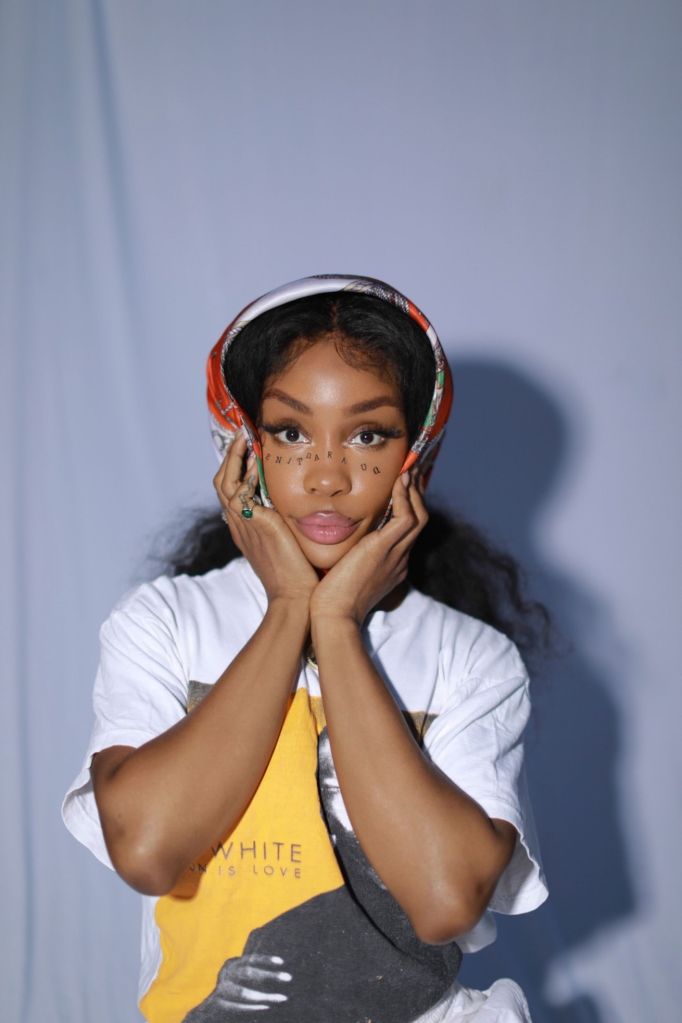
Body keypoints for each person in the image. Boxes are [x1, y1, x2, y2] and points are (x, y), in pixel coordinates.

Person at [62, 275, 550, 1022]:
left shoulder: (472, 658)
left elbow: (443, 901)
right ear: (240, 444)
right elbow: (149, 851)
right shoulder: (164, 622)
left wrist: (339, 625)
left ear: (418, 453)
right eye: (291, 432)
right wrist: (289, 606)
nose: (327, 476)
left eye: (368, 434)